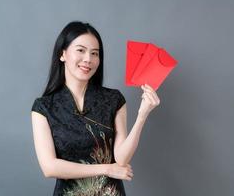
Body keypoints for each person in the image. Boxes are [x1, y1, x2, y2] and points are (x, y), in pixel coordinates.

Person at [31, 21, 160, 196]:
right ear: (62, 54)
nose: (88, 59)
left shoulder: (113, 99)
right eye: (80, 50)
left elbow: (122, 159)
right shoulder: (44, 107)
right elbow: (50, 167)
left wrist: (142, 115)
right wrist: (107, 169)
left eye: (94, 53)